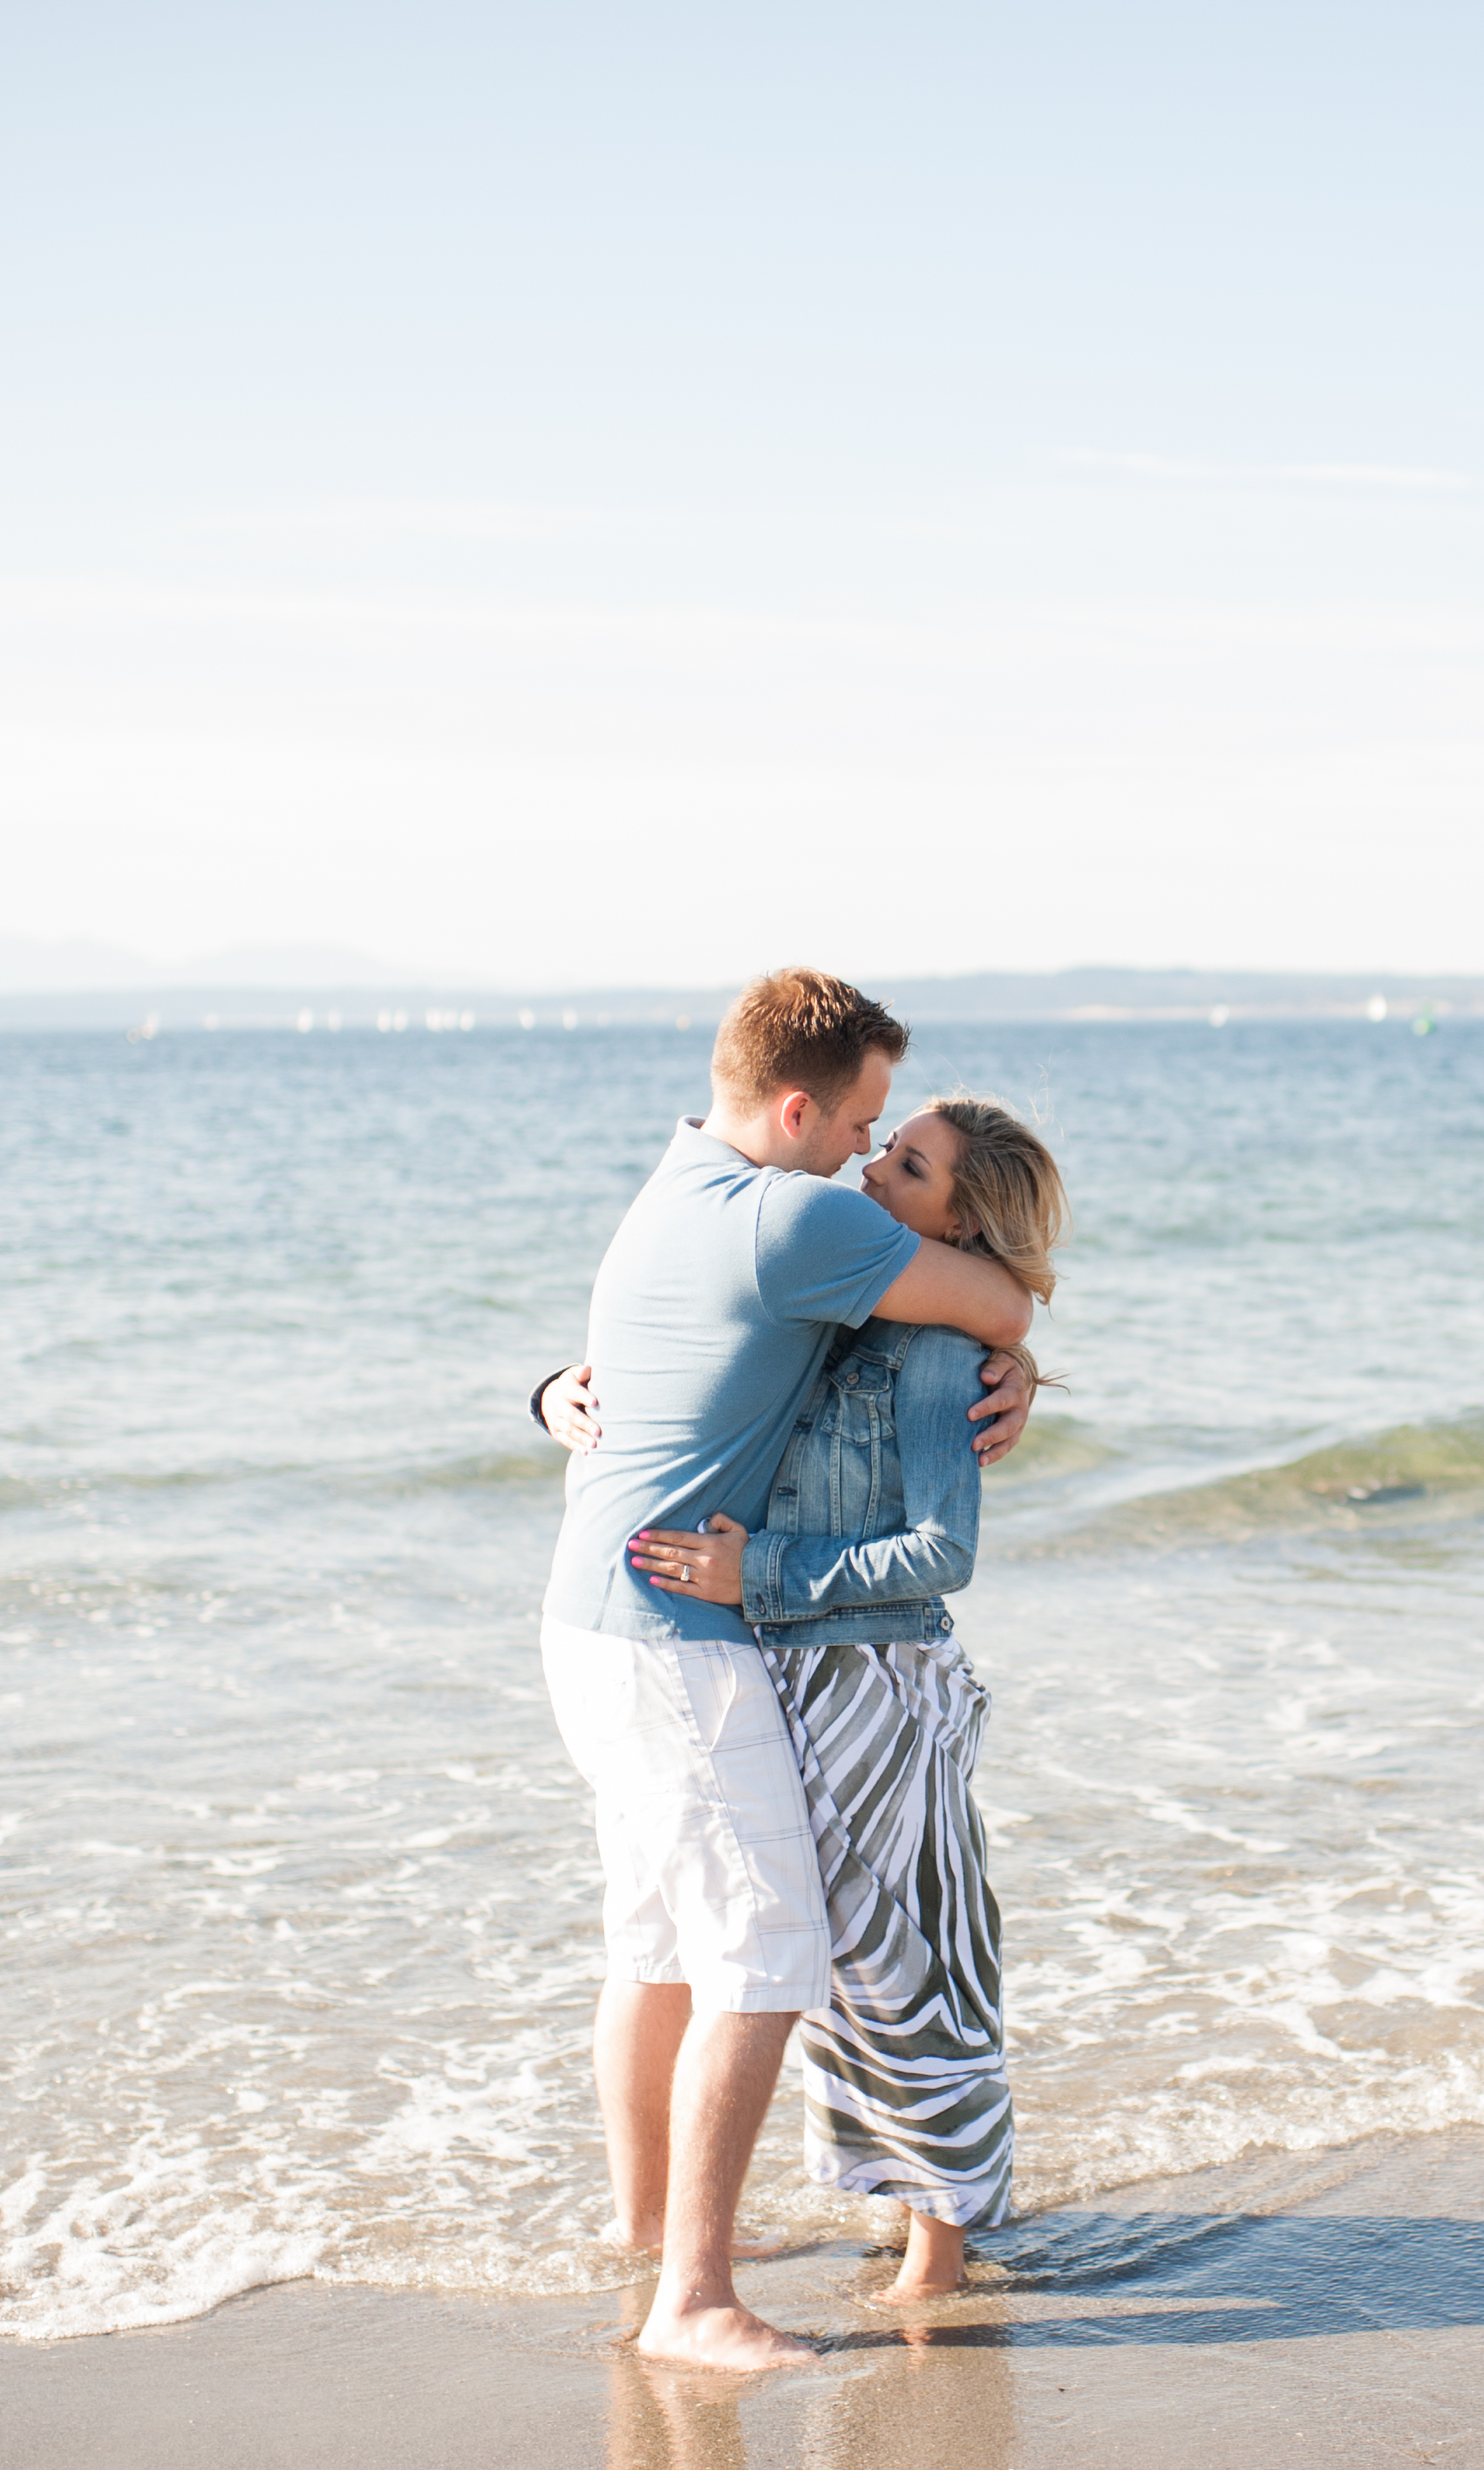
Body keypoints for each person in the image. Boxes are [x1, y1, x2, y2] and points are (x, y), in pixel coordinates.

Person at [532, 970, 1036, 2372]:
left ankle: (652, 2228)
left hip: (585, 1620)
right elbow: (987, 1289)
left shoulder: (676, 1184)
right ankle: (690, 2300)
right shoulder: (793, 1215)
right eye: (864, 1124)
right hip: (673, 1643)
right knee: (764, 1953)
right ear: (800, 1107)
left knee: (659, 1939)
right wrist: (1022, 1348)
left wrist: (542, 1391)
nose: (867, 1155)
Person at [616, 1095, 1065, 2304]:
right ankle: (908, 2209)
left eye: (906, 1163)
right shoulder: (848, 1303)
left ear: (959, 1218)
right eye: (881, 1141)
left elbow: (941, 1551)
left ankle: (943, 2246)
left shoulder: (932, 1353)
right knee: (850, 1967)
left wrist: (755, 1573)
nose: (872, 1165)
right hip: (798, 1674)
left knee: (917, 1959)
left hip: (877, 1680)